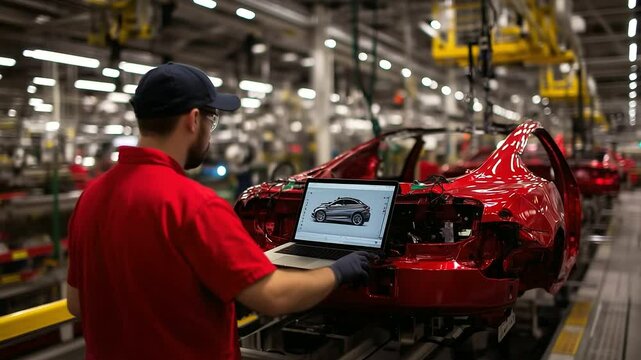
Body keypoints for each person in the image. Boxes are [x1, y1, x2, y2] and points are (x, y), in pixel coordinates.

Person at [66, 62, 373, 359]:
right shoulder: (194, 204)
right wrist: (338, 271)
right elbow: (274, 296)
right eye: (212, 120)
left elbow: (77, 303)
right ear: (194, 119)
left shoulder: (91, 196)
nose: (210, 134)